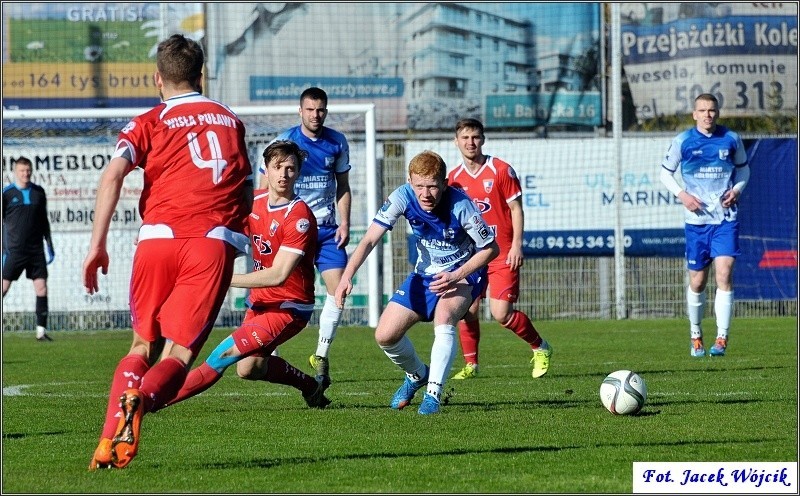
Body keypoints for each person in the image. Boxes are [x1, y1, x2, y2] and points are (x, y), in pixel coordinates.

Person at [83, 34, 253, 470]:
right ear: (202, 75)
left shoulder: (147, 121)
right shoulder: (231, 120)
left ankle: (108, 442)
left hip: (156, 239)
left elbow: (113, 176)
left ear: (157, 78)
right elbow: (244, 186)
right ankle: (142, 402)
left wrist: (97, 245)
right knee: (178, 354)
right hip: (209, 244)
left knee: (141, 344)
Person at [161, 140, 330, 411]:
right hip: (259, 302)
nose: (284, 174)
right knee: (249, 369)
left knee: (221, 355)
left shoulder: (299, 217)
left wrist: (220, 278)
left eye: (290, 168)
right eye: (278, 167)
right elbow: (220, 229)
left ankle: (156, 400)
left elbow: (278, 275)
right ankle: (312, 387)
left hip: (288, 307)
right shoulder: (254, 202)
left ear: (298, 173)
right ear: (266, 169)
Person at [335, 150, 499, 415]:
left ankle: (433, 395)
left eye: (433, 186)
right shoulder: (402, 196)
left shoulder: (461, 205)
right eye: (419, 186)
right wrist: (346, 276)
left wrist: (456, 276)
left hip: (463, 273)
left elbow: (491, 249)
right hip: (425, 274)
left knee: (444, 318)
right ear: (410, 182)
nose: (426, 193)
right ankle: (417, 375)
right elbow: (368, 240)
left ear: (444, 183)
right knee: (385, 336)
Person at [259, 87, 351, 389]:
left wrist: (345, 222)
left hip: (325, 230)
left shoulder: (337, 142)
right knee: (278, 287)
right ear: (300, 111)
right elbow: (264, 187)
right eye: (310, 109)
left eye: (321, 109)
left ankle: (321, 355)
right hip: (290, 229)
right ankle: (269, 346)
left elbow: (343, 185)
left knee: (339, 291)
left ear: (326, 110)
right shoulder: (284, 143)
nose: (316, 115)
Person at [446, 118, 552, 380]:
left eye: (476, 137)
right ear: (456, 141)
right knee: (465, 310)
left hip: (503, 253)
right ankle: (471, 364)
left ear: (483, 139)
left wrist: (517, 245)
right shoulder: (453, 180)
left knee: (500, 313)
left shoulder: (501, 170)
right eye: (466, 138)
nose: (471, 143)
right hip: (473, 257)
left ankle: (540, 347)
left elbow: (516, 209)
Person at [660, 93, 750, 358]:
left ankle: (721, 338)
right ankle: (696, 334)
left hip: (725, 218)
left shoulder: (731, 139)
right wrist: (683, 195)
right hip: (697, 223)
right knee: (698, 282)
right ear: (694, 114)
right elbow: (665, 173)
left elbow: (744, 169)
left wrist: (737, 190)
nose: (708, 115)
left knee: (724, 274)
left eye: (712, 110)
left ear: (717, 113)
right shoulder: (683, 141)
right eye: (703, 110)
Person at [2, 156, 55, 341]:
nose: (26, 174)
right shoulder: (6, 194)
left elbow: (44, 221)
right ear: (15, 172)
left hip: (36, 250)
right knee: (3, 287)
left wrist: (49, 244)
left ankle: (41, 332)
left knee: (42, 288)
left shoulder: (39, 192)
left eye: (28, 170)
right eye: (22, 171)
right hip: (14, 251)